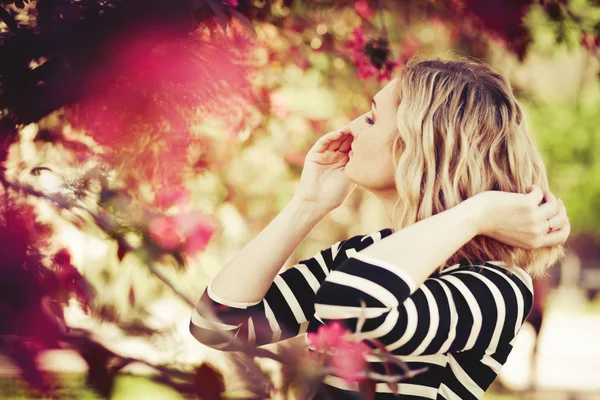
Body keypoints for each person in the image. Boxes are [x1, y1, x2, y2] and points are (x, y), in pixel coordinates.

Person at [189, 58, 570, 399]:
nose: (351, 128)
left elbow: (351, 311)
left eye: (371, 118)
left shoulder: (496, 286)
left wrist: (477, 213)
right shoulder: (362, 256)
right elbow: (217, 325)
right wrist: (307, 206)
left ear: (421, 146)